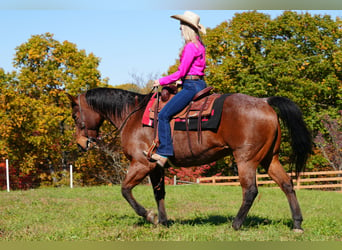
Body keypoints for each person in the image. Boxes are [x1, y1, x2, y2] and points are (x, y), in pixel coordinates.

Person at [145, 11, 207, 167]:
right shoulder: (200, 45)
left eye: (181, 26)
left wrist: (161, 81)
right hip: (198, 83)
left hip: (191, 87)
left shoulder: (190, 47)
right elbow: (193, 69)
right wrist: (180, 82)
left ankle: (164, 153)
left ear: (187, 28)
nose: (179, 29)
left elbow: (181, 72)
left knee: (164, 114)